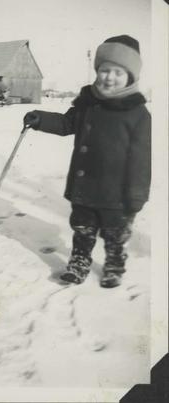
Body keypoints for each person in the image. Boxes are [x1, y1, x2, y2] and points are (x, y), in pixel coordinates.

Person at [23, 35, 151, 288]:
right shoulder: (86, 105)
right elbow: (66, 123)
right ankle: (79, 261)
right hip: (85, 186)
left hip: (117, 194)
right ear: (97, 71)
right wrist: (40, 119)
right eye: (104, 70)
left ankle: (114, 263)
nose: (109, 77)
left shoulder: (137, 114)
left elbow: (141, 161)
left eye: (117, 72)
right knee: (82, 228)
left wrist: (136, 197)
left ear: (130, 78)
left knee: (115, 234)